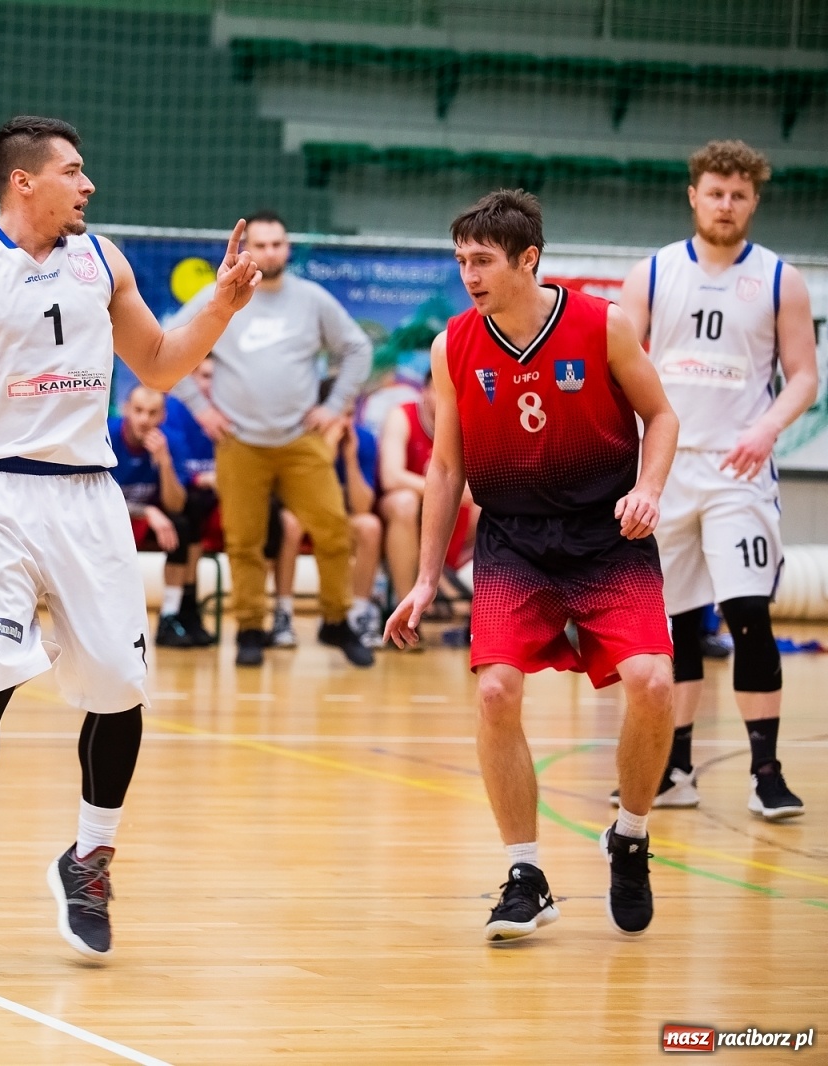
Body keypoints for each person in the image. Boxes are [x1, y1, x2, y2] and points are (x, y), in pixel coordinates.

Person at [0, 115, 259, 966]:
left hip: (89, 494)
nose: (88, 185)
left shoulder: (104, 260)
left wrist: (223, 304)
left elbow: (160, 363)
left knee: (121, 688)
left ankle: (89, 860)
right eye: (73, 171)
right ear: (24, 181)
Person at [384, 189, 680, 943]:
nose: (469, 275)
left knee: (653, 684)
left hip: (607, 533)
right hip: (513, 539)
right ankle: (525, 876)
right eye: (461, 260)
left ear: (528, 260)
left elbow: (662, 415)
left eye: (482, 260)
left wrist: (649, 489)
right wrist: (425, 578)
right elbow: (445, 467)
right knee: (495, 693)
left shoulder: (601, 324)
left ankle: (631, 835)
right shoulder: (452, 345)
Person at [617, 140, 818, 820]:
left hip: (739, 472)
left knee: (748, 615)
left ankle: (766, 773)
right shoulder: (651, 273)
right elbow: (619, 367)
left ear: (753, 201)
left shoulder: (781, 279)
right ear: (693, 196)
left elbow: (804, 377)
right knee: (672, 625)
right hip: (666, 471)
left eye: (738, 195)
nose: (725, 205)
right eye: (715, 193)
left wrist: (766, 429)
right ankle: (674, 769)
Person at [171, 210, 376, 668]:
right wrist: (201, 409)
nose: (270, 252)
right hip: (239, 441)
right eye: (260, 245)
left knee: (334, 530)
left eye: (277, 243)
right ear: (246, 251)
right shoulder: (220, 296)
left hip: (301, 438)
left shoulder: (312, 299)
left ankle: (336, 620)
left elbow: (357, 347)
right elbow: (171, 343)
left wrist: (335, 404)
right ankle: (250, 629)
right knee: (244, 541)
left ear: (288, 247)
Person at [170, 357, 301, 648]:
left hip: (236, 496)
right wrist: (208, 478)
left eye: (219, 378)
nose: (212, 385)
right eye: (206, 376)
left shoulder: (242, 413)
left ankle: (275, 614)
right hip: (197, 497)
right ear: (192, 378)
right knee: (189, 511)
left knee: (274, 517)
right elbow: (177, 467)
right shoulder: (175, 411)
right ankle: (187, 608)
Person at [110, 386, 210, 647]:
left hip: (151, 521)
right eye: (138, 411)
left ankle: (170, 616)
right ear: (126, 410)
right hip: (112, 519)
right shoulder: (106, 437)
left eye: (152, 413)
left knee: (182, 525)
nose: (144, 419)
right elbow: (95, 501)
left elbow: (175, 504)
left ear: (163, 416)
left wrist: (164, 463)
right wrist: (146, 511)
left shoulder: (170, 442)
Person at [378, 371, 480, 621]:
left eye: (453, 393)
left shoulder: (468, 421)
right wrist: (443, 490)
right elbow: (391, 477)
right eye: (438, 391)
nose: (446, 398)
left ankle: (487, 607)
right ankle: (406, 611)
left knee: (491, 506)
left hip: (450, 513)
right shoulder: (401, 415)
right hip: (402, 512)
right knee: (405, 502)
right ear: (424, 393)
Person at [281, 412, 385, 647]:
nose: (344, 422)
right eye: (338, 414)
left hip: (342, 518)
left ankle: (356, 615)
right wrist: (325, 453)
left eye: (350, 414)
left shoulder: (363, 439)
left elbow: (362, 506)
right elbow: (297, 499)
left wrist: (350, 459)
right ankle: (283, 615)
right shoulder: (299, 437)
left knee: (370, 527)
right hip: (303, 516)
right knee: (289, 524)